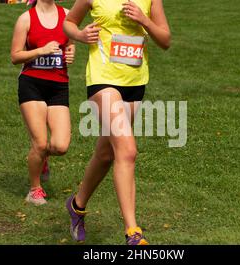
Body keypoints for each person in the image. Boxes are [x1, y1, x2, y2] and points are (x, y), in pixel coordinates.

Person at [63, 0, 171, 245]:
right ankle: (133, 232)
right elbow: (68, 23)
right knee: (127, 151)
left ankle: (77, 206)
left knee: (105, 154)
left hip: (135, 82)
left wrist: (144, 20)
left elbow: (165, 40)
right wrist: (80, 35)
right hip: (103, 79)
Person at [10, 0, 75, 205]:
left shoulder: (68, 14)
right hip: (32, 84)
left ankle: (43, 159)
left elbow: (70, 44)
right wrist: (40, 51)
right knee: (40, 143)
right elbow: (15, 56)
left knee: (60, 146)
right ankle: (35, 190)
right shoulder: (26, 19)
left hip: (58, 86)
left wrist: (71, 52)